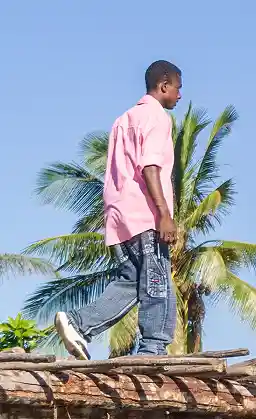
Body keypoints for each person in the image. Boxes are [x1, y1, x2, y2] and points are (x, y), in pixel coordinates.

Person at [54, 60, 183, 359]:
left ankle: (78, 323)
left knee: (131, 282)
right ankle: (153, 348)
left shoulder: (124, 119)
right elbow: (150, 167)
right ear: (163, 85)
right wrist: (164, 214)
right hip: (146, 214)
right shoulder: (157, 117)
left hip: (119, 216)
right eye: (178, 88)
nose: (179, 95)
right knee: (157, 282)